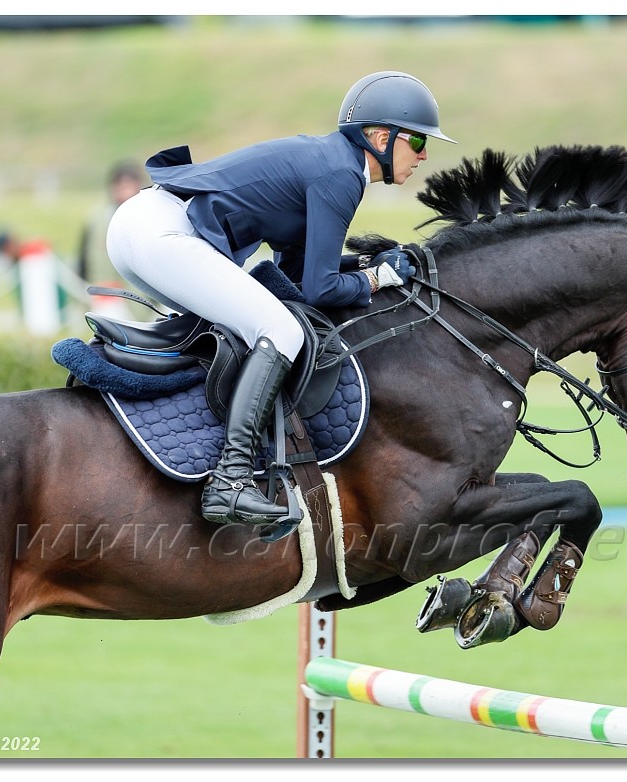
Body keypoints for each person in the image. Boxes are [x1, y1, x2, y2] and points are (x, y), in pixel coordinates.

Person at [106, 71, 455, 528]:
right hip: (162, 232)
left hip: (140, 228)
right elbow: (320, 290)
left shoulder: (331, 160)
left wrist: (370, 269)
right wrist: (376, 279)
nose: (424, 154)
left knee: (241, 330)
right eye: (417, 140)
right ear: (380, 136)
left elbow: (299, 273)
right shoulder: (341, 174)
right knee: (281, 331)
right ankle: (230, 482)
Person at [77, 160, 148, 286]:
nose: (125, 191)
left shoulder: (150, 219)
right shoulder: (96, 219)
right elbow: (83, 261)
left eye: (129, 185)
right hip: (102, 294)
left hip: (138, 300)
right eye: (120, 185)